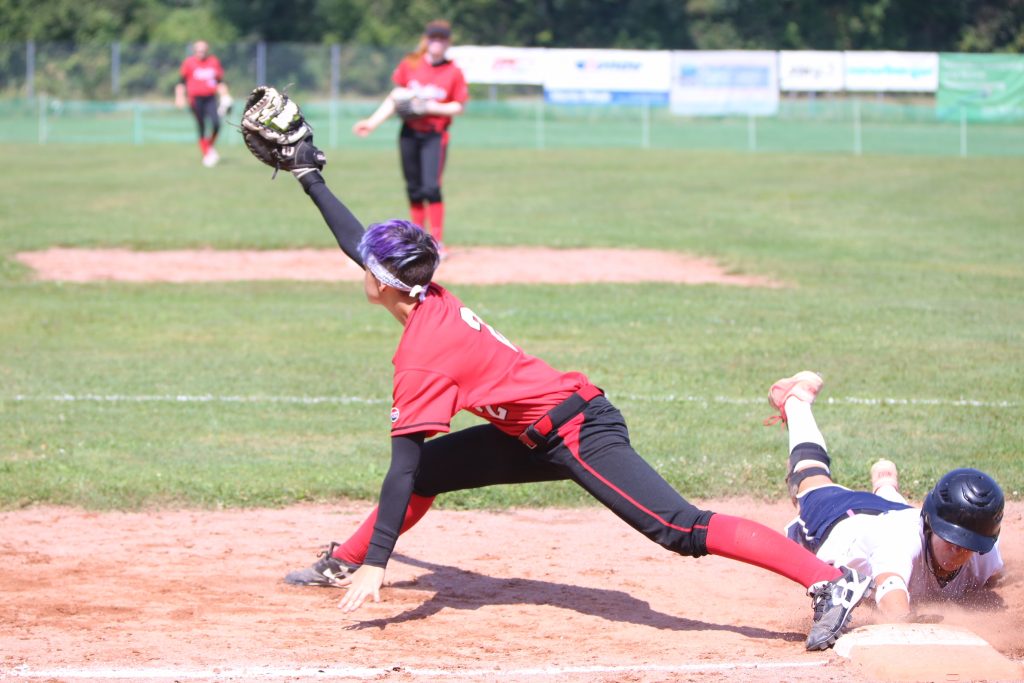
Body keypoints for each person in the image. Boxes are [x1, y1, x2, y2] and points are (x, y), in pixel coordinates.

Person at [239, 96, 872, 651]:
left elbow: (400, 467)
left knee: (678, 528)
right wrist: (308, 176)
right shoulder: (429, 294)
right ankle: (339, 562)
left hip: (576, 431)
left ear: (383, 284)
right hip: (535, 428)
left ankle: (829, 582)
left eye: (367, 267)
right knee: (435, 474)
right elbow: (363, 245)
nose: (358, 266)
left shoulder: (422, 357)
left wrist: (383, 564)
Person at [768, 370, 1004, 620]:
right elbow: (890, 588)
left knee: (896, 513)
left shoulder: (981, 543)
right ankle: (795, 401)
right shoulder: (898, 542)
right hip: (842, 518)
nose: (958, 552)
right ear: (931, 524)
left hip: (897, 513)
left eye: (967, 546)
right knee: (809, 477)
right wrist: (904, 621)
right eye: (951, 541)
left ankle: (885, 485)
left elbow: (997, 577)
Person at [352, 20, 468, 255]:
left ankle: (436, 242)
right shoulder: (411, 64)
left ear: (448, 42)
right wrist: (372, 123)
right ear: (426, 40)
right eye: (433, 37)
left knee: (431, 188)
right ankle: (418, 242)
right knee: (414, 189)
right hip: (409, 134)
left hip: (434, 135)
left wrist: (427, 107)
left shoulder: (453, 71)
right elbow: (395, 97)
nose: (437, 42)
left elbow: (458, 106)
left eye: (442, 38)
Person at [175, 40, 232, 167]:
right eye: (198, 50)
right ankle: (207, 153)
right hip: (195, 99)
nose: (201, 52)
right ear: (194, 51)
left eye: (203, 50)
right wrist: (179, 97)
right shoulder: (189, 63)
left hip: (210, 98)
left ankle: (209, 147)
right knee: (201, 125)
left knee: (216, 123)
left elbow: (220, 81)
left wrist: (225, 96)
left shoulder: (213, 62)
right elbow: (181, 82)